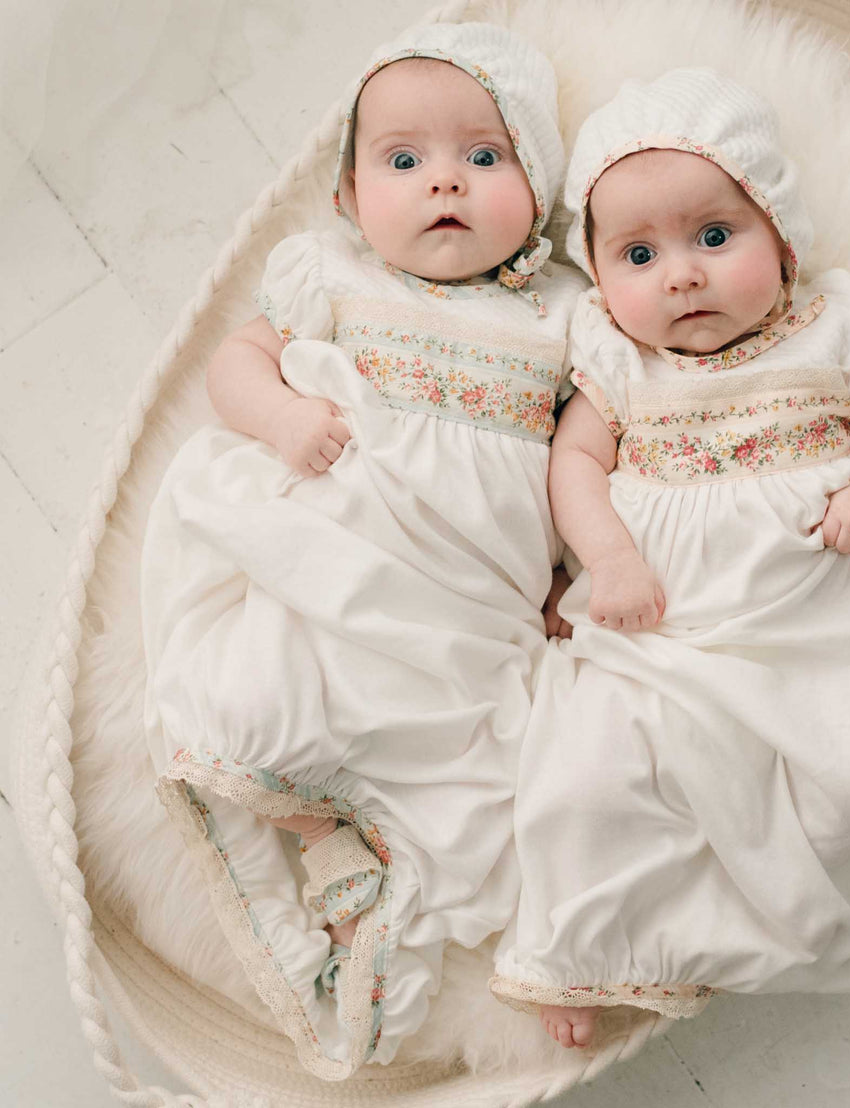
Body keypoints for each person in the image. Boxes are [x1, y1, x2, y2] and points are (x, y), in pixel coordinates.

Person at [489, 68, 850, 1050]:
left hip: (801, 599)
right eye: (636, 252)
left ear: (781, 238)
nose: (682, 274)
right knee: (587, 774)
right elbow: (574, 462)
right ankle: (577, 944)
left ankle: (732, 916)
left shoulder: (835, 324)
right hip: (657, 611)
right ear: (597, 273)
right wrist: (608, 559)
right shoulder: (618, 360)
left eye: (715, 235)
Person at [141, 22, 585, 1078]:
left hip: (469, 599)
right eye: (403, 160)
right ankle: (316, 831)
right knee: (277, 686)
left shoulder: (567, 318)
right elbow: (236, 367)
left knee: (477, 760)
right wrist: (281, 417)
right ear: (347, 199)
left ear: (544, 184)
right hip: (342, 546)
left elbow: (585, 460)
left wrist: (571, 570)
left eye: (485, 156)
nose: (445, 182)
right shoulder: (332, 281)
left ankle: (364, 857)